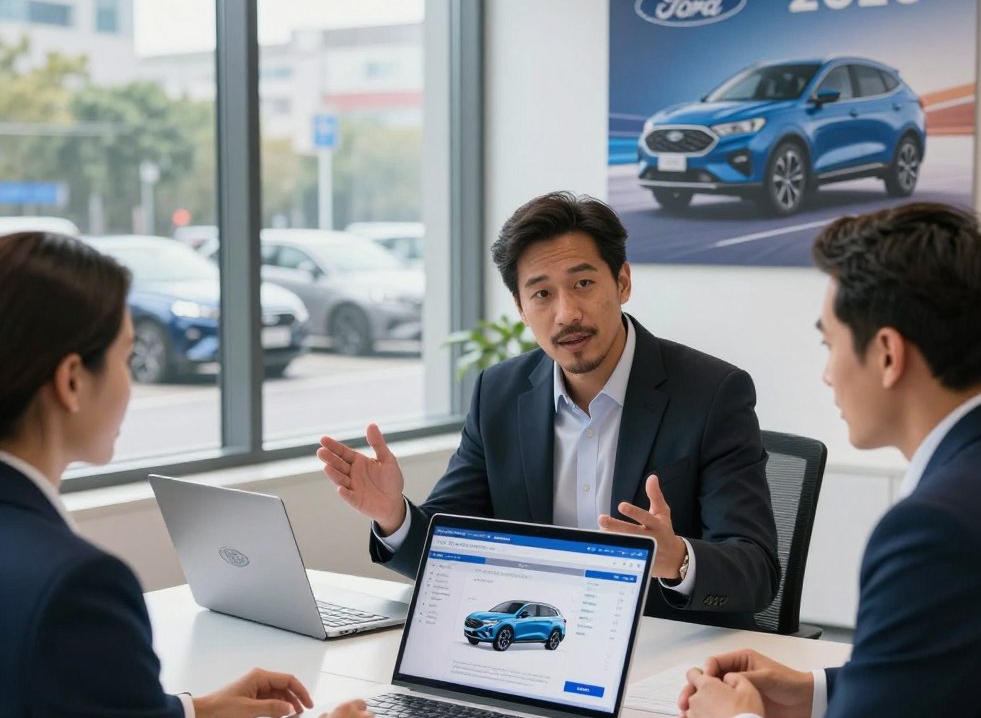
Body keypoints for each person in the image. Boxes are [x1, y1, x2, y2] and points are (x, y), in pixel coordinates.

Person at [0, 231, 388, 718]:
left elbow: (28, 716)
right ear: (69, 381)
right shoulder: (73, 587)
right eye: (124, 357)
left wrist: (186, 711)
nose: (131, 381)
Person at [679, 203, 981, 718]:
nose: (829, 373)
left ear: (889, 354)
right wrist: (816, 692)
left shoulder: (937, 528)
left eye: (830, 341)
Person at [319, 191, 779, 627]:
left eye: (583, 283)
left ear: (622, 282)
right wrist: (393, 515)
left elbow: (756, 571)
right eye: (542, 294)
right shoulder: (499, 393)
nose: (566, 313)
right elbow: (449, 547)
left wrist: (676, 558)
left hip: (667, 658)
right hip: (539, 646)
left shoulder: (713, 392)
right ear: (520, 307)